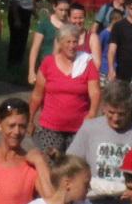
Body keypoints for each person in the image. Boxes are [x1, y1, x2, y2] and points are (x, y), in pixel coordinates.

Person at [68, 80, 132, 204]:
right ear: (103, 108)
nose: (115, 119)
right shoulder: (89, 128)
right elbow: (72, 165)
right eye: (111, 112)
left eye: (121, 114)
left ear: (131, 109)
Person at [29, 23, 100, 156]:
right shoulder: (48, 63)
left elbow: (95, 92)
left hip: (78, 128)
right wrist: (30, 119)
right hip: (51, 127)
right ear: (60, 43)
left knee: (73, 168)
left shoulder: (87, 63)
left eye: (74, 41)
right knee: (51, 165)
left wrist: (92, 113)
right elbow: (37, 95)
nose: (72, 45)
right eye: (68, 42)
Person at [26, 0, 73, 79]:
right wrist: (31, 71)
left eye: (66, 10)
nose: (64, 13)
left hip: (65, 67)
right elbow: (35, 48)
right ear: (54, 7)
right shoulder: (45, 24)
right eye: (61, 10)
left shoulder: (70, 26)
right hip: (46, 66)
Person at [2, 0, 36, 73]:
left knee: (22, 42)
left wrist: (34, 12)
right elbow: (14, 2)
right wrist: (16, 19)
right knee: (16, 42)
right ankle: (12, 66)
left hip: (25, 13)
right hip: (18, 14)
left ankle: (18, 65)